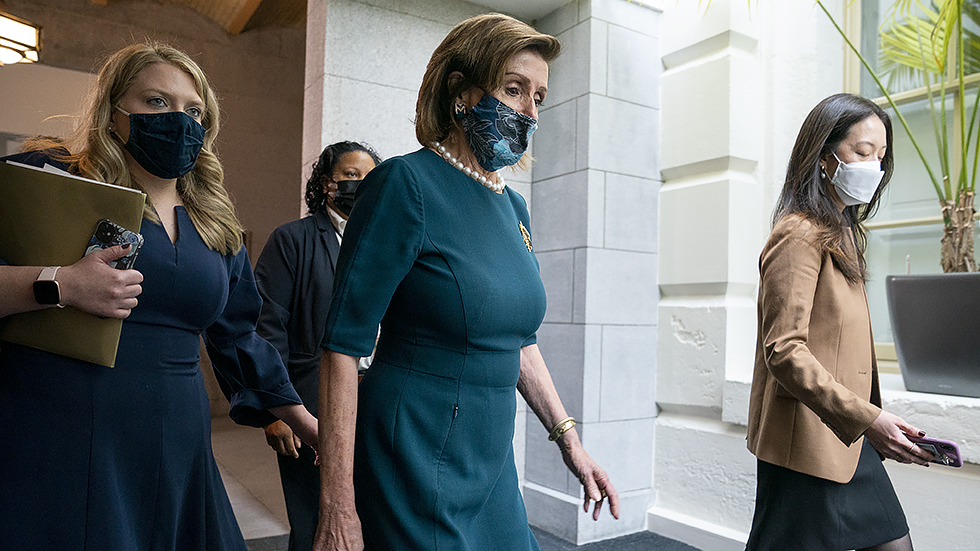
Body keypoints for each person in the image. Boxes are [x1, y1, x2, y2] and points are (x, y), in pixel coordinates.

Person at [313, 13, 620, 551]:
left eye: (539, 97)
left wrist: (569, 440)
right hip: (413, 445)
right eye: (513, 88)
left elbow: (517, 339)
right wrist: (338, 508)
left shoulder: (515, 209)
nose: (529, 111)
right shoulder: (404, 184)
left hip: (489, 453)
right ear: (461, 90)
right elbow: (342, 348)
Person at [0, 42, 318, 551]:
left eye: (194, 110)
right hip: (63, 432)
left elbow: (238, 334)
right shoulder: (48, 177)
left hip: (177, 441)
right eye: (156, 102)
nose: (179, 119)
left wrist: (305, 420)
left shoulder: (213, 218)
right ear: (113, 112)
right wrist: (61, 283)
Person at [745, 93, 933, 551]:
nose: (874, 166)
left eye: (881, 156)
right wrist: (869, 420)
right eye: (862, 152)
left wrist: (868, 421)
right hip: (809, 442)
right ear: (823, 156)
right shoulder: (798, 234)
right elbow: (784, 351)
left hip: (850, 438)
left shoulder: (843, 232)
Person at [254, 140, 382, 551]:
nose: (361, 184)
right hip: (311, 404)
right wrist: (274, 413)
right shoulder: (292, 240)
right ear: (328, 184)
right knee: (315, 523)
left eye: (370, 177)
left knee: (373, 520)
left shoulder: (384, 243)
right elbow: (265, 329)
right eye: (351, 175)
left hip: (378, 401)